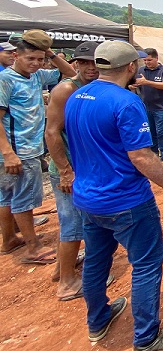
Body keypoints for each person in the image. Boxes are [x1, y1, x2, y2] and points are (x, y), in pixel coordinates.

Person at [65, 40, 163, 351]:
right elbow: (142, 157)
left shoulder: (76, 96)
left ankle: (98, 321)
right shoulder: (126, 102)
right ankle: (146, 338)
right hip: (127, 201)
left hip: (88, 200)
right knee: (147, 264)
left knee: (95, 261)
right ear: (131, 67)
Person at [0, 30, 75, 263]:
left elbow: (70, 73)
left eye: (39, 59)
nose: (35, 63)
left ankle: (9, 239)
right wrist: (8, 153)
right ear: (16, 56)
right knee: (24, 197)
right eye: (30, 58)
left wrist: (50, 53)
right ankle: (32, 247)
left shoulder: (36, 76)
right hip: (20, 150)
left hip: (24, 149)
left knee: (7, 197)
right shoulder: (6, 80)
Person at [44, 41, 105, 300]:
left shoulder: (92, 87)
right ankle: (67, 282)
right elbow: (52, 132)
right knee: (73, 226)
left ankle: (61, 269)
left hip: (85, 168)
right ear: (76, 64)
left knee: (78, 223)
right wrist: (65, 170)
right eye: (84, 63)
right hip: (69, 170)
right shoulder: (66, 90)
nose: (90, 67)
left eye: (95, 62)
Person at [132, 48, 163, 167]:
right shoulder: (141, 70)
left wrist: (147, 82)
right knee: (151, 132)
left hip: (162, 107)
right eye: (145, 60)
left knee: (162, 132)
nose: (147, 62)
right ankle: (154, 156)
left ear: (156, 58)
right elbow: (136, 84)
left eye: (149, 60)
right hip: (147, 106)